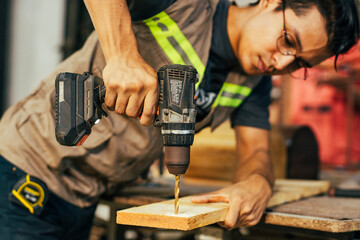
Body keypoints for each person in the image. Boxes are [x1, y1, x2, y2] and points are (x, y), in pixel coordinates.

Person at [0, 0, 358, 239]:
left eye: (298, 64)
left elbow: (256, 153)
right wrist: (122, 55)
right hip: (26, 169)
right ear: (268, 1)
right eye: (287, 40)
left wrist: (258, 183)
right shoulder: (188, 5)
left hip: (85, 196)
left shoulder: (255, 82)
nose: (282, 63)